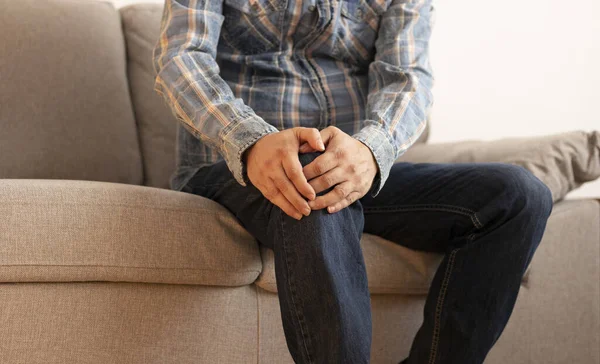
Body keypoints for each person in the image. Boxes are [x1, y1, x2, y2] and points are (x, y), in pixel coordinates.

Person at [152, 0, 553, 363]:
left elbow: (408, 78)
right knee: (316, 182)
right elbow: (182, 58)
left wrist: (371, 150)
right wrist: (249, 139)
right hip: (231, 163)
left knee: (519, 195)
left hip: (352, 167)